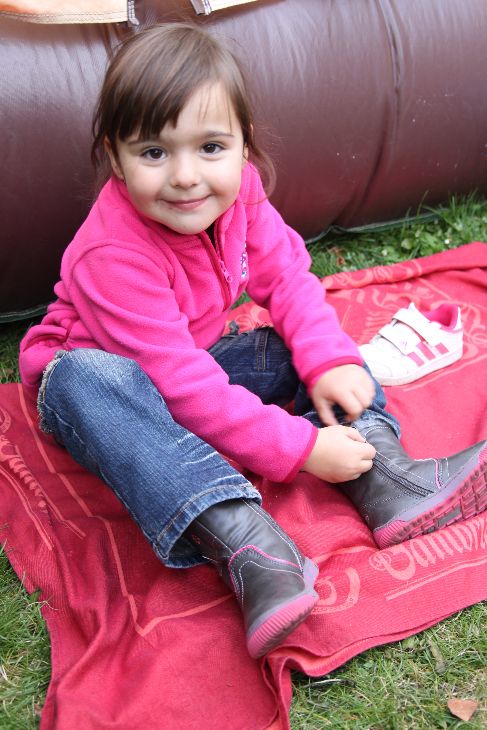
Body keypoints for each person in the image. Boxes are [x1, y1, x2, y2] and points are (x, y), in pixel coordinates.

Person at [19, 23, 487, 659]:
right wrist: (300, 449)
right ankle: (249, 546)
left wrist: (329, 361)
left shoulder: (242, 194)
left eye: (211, 147)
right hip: (107, 391)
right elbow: (180, 389)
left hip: (193, 359)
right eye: (154, 152)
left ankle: (388, 479)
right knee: (86, 378)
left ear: (244, 144)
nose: (186, 176)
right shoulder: (111, 255)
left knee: (298, 348)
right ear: (116, 157)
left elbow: (288, 279)